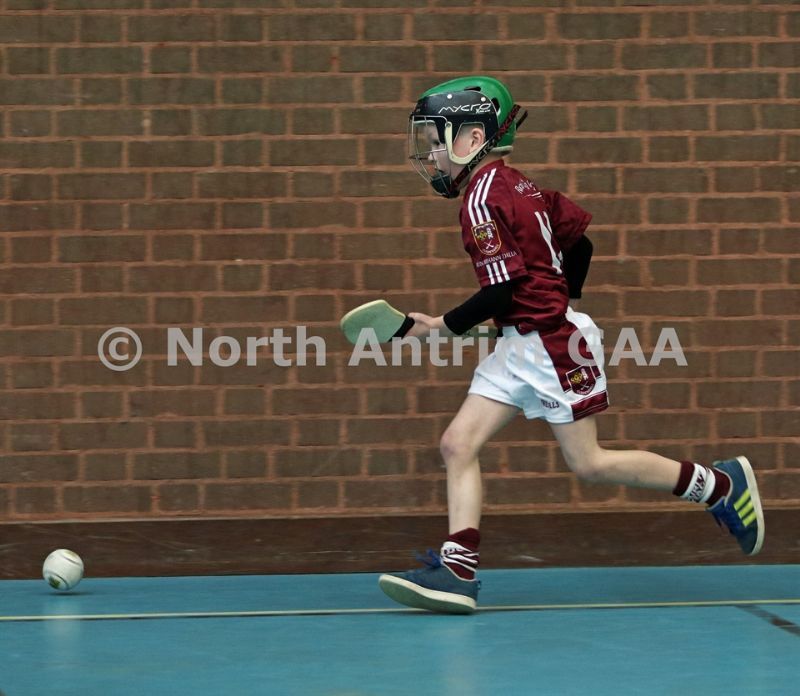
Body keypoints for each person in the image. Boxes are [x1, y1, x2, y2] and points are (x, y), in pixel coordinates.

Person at [377, 76, 765, 614]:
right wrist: (548, 302)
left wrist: (438, 326)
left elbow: (501, 290)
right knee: (457, 444)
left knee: (590, 463)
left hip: (550, 347)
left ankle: (719, 485)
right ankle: (457, 571)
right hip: (524, 341)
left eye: (437, 141)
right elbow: (580, 245)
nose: (433, 155)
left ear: (473, 138)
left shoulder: (481, 199)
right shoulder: (523, 187)